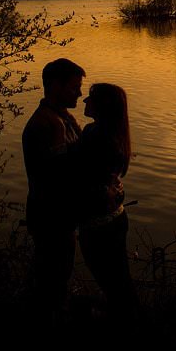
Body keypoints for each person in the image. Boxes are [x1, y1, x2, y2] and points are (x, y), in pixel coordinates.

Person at [22, 57, 85, 330]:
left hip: (60, 216)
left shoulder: (61, 119)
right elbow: (58, 175)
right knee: (52, 280)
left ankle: (52, 324)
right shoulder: (47, 124)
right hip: (51, 218)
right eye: (74, 88)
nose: (80, 94)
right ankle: (48, 332)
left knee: (58, 277)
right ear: (55, 85)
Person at [74, 83, 138, 322]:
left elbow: (77, 170)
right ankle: (126, 324)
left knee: (112, 282)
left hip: (100, 225)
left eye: (90, 97)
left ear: (103, 105)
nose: (84, 101)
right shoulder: (111, 134)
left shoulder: (97, 136)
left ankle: (122, 328)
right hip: (113, 219)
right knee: (118, 280)